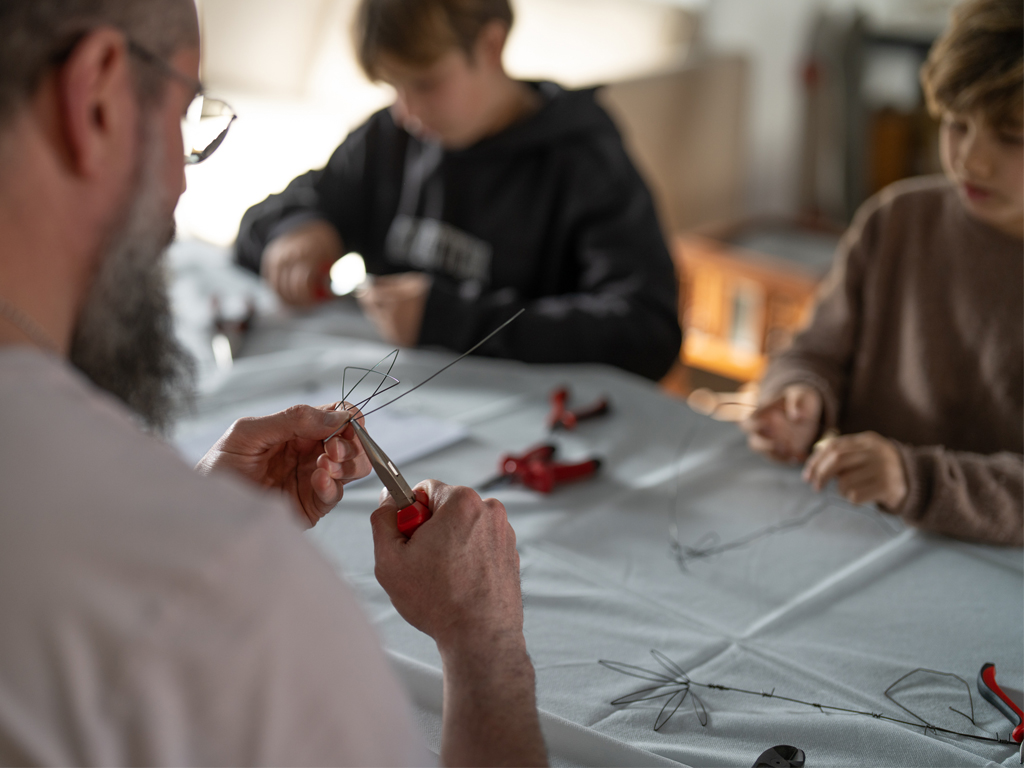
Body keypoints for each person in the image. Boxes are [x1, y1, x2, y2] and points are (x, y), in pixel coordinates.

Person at [0, 0, 547, 764]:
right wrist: (486, 648)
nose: (181, 191)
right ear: (97, 97)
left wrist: (197, 519)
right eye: (186, 121)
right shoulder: (236, 595)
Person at [235, 0, 682, 382]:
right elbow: (260, 224)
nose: (407, 111)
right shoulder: (389, 138)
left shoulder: (582, 161)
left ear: (491, 45)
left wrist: (453, 321)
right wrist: (300, 228)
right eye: (395, 87)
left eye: (426, 83)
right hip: (401, 402)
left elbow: (647, 333)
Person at [742, 0, 1022, 546]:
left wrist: (914, 479)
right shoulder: (896, 221)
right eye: (956, 124)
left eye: (1012, 138)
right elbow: (815, 352)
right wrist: (801, 398)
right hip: (856, 534)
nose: (970, 159)